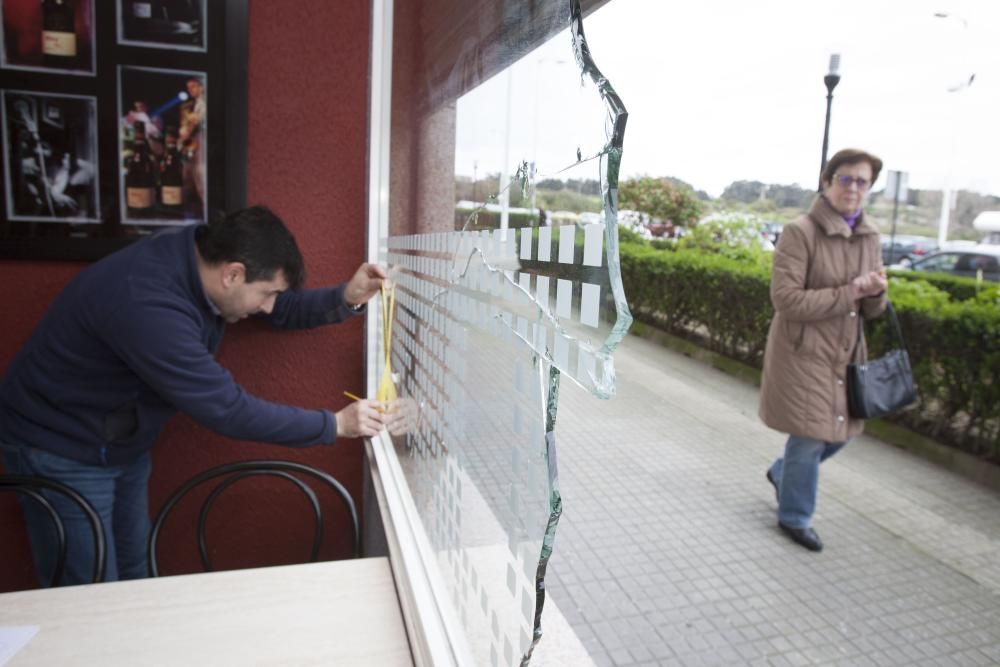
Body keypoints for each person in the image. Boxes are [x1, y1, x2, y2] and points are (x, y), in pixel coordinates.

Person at [0, 206, 391, 585]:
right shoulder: (147, 303)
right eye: (267, 293)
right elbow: (227, 410)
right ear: (232, 275)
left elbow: (277, 308)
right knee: (89, 589)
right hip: (60, 445)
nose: (269, 306)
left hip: (119, 441)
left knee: (135, 575)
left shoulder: (198, 258)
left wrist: (345, 298)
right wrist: (334, 424)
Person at [758, 148, 888, 553]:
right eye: (845, 179)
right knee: (812, 435)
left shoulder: (871, 235)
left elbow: (873, 309)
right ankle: (795, 516)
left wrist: (877, 294)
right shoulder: (800, 232)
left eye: (862, 181)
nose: (853, 188)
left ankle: (784, 473)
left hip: (847, 353)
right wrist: (852, 291)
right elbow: (787, 300)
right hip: (804, 353)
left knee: (844, 431)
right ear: (828, 182)